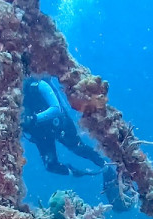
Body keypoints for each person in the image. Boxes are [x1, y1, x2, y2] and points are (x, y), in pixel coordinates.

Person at [21, 77, 131, 211]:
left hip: (59, 125)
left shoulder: (38, 85)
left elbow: (56, 109)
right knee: (51, 165)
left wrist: (34, 119)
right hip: (41, 134)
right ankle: (79, 172)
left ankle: (106, 168)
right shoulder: (11, 97)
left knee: (78, 148)